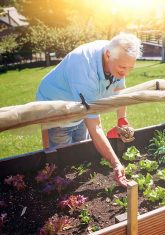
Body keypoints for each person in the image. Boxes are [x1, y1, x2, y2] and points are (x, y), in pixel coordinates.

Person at [36, 33, 142, 187]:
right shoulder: (84, 70)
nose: (125, 72)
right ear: (107, 55)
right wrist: (116, 163)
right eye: (122, 68)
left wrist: (121, 119)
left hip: (80, 103)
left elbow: (120, 90)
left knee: (81, 152)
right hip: (56, 109)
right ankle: (58, 190)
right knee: (63, 158)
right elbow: (95, 126)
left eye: (130, 68)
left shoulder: (119, 55)